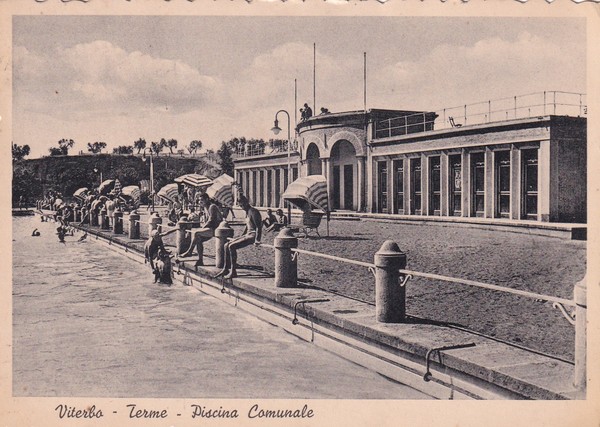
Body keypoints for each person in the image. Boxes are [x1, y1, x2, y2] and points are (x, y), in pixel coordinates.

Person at [215, 195, 262, 279]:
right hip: (248, 234)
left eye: (243, 205)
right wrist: (241, 236)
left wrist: (257, 240)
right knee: (226, 245)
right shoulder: (247, 212)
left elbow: (259, 226)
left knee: (232, 246)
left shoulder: (253, 211)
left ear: (247, 202)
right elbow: (248, 226)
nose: (242, 207)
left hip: (253, 235)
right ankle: (226, 268)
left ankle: (233, 271)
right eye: (240, 206)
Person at [179, 193, 223, 266]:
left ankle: (189, 251)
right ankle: (200, 260)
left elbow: (211, 220)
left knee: (196, 233)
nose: (200, 202)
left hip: (217, 229)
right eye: (199, 200)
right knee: (198, 239)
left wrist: (203, 228)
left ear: (207, 199)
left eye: (201, 200)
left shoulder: (212, 207)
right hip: (212, 228)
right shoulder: (205, 208)